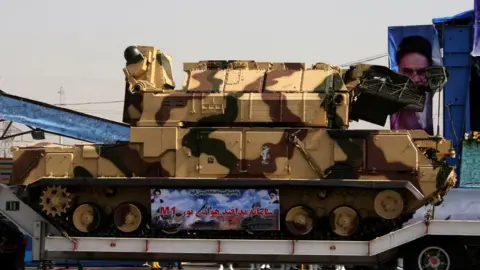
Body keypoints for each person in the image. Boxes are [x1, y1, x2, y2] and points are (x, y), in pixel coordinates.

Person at [390, 35, 434, 135]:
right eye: (407, 72)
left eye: (421, 72)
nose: (415, 79)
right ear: (398, 72)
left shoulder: (438, 105)